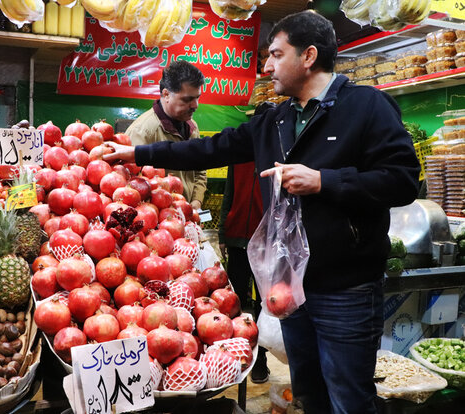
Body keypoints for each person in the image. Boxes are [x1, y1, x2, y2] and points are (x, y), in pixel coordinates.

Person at [103, 11, 420, 414]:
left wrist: (325, 181)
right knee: (309, 392)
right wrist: (137, 152)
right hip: (290, 287)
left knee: (350, 395)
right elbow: (208, 148)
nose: (266, 66)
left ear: (308, 56)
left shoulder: (368, 106)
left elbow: (402, 180)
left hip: (346, 288)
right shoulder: (275, 117)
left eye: (275, 54)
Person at [218, 102, 275, 384]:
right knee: (236, 303)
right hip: (238, 238)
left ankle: (261, 360)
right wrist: (222, 232)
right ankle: (235, 355)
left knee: (266, 303)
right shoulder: (239, 155)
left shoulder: (279, 157)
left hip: (265, 242)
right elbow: (229, 194)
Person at [125, 61, 207, 211]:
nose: (196, 105)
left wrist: (196, 200)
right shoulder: (142, 131)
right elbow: (132, 186)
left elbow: (200, 168)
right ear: (166, 94)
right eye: (188, 99)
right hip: (157, 224)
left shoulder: (192, 126)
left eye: (197, 97)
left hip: (186, 215)